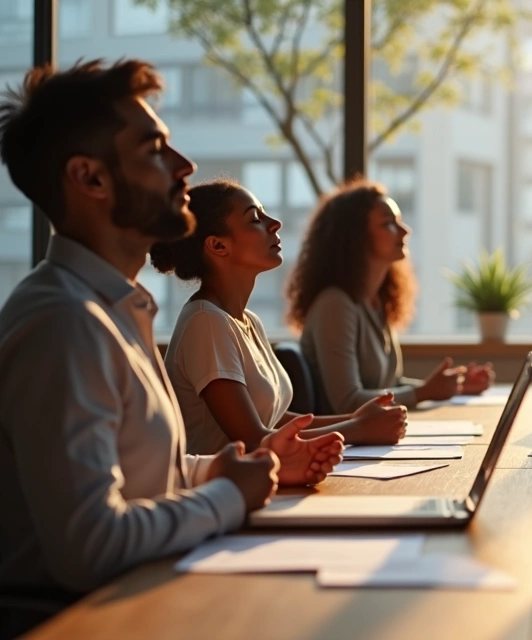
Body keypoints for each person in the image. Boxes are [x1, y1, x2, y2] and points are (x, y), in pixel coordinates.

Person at [0, 60, 342, 634]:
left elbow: (140, 472)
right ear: (90, 178)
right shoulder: (63, 323)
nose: (185, 166)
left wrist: (230, 470)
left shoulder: (114, 309)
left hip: (148, 599)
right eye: (155, 149)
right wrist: (227, 496)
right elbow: (90, 546)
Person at [150, 179, 409, 454]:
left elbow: (274, 422)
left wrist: (355, 419)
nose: (275, 223)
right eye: (255, 218)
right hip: (222, 480)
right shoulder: (205, 323)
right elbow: (253, 439)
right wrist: (357, 429)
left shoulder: (247, 321)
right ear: (218, 245)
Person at [286, 179, 493, 414]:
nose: (405, 231)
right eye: (388, 224)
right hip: (343, 437)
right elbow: (347, 402)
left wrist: (455, 387)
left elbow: (388, 386)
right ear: (355, 237)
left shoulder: (374, 302)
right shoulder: (335, 305)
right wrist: (424, 392)